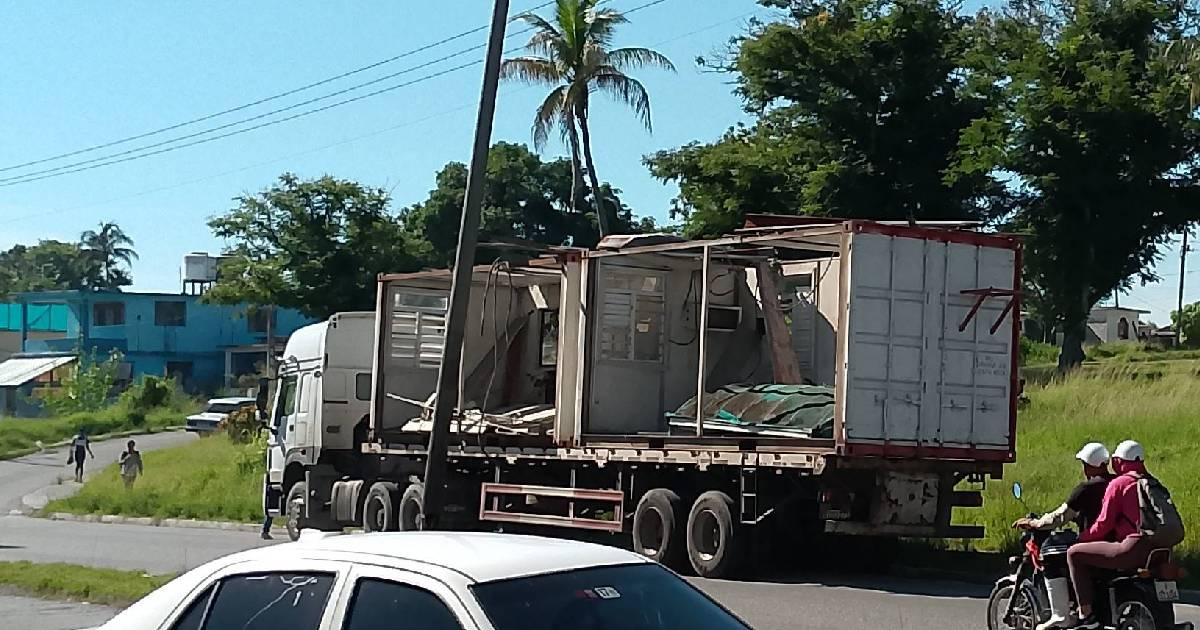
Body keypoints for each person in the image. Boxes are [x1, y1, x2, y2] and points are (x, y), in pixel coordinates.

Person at [1067, 440, 1174, 629]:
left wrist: (1081, 539)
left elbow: (1103, 524)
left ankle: (1087, 616)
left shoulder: (1120, 483)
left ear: (1119, 462)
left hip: (1131, 549)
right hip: (1159, 551)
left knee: (1074, 554)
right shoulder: (1152, 482)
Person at [1013, 442, 1113, 630]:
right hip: (1116, 544)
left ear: (1089, 465)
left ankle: (1060, 615)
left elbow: (1059, 517)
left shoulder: (1086, 489)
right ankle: (1076, 607)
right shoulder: (1115, 483)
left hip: (1093, 543)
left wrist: (1035, 523)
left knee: (1050, 554)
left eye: (1084, 463)